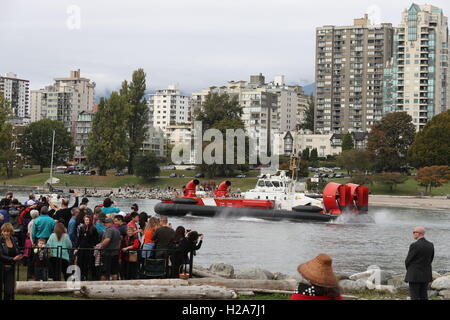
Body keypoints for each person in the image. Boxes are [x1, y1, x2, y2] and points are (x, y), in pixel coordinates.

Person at [405, 226, 435, 300]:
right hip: (426, 274)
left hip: (414, 275)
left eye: (414, 232)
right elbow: (431, 259)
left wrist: (410, 270)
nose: (413, 234)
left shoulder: (414, 245)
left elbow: (408, 260)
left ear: (419, 233)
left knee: (414, 296)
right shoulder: (430, 245)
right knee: (424, 296)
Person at [0, 223, 23, 300]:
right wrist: (12, 259)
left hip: (10, 268)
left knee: (9, 291)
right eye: (4, 231)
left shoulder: (14, 240)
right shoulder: (0, 240)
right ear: (2, 232)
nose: (6, 233)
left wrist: (19, 255)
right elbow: (1, 255)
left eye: (8, 231)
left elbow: (17, 251)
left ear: (11, 232)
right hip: (1, 267)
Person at [76, 215, 99, 281]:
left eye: (88, 220)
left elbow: (96, 239)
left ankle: (90, 277)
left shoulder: (93, 228)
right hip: (82, 247)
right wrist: (76, 247)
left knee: (89, 263)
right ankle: (82, 276)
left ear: (90, 220)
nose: (87, 221)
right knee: (81, 263)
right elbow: (79, 238)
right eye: (85, 220)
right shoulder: (82, 228)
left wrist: (94, 245)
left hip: (89, 248)